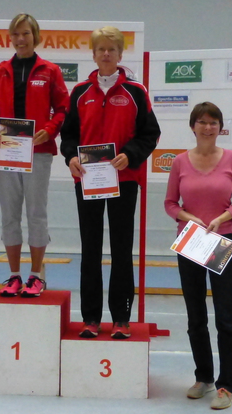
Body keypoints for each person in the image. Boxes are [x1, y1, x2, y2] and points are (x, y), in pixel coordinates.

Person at [60, 26, 160, 339]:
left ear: (120, 54)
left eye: (112, 49)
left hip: (124, 179)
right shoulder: (80, 93)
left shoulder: (135, 91)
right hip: (88, 180)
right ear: (93, 54)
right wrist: (71, 157)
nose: (106, 54)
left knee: (121, 248)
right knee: (90, 249)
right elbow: (68, 135)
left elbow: (150, 134)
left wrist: (130, 155)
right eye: (101, 49)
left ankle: (121, 319)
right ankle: (91, 318)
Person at [164, 102, 232, 410]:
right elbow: (170, 204)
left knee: (226, 316)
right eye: (202, 122)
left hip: (222, 240)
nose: (208, 127)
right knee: (195, 315)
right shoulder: (179, 162)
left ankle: (227, 385)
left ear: (220, 127)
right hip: (191, 241)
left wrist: (222, 218)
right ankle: (204, 377)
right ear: (193, 126)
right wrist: (189, 217)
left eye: (213, 122)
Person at [0, 13, 69, 298]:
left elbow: (63, 108)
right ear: (11, 38)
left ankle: (35, 275)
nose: (21, 39)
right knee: (9, 214)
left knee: (36, 213)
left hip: (38, 152)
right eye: (16, 34)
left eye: (26, 33)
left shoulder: (50, 71)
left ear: (36, 36)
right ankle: (13, 275)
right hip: (7, 151)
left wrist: (50, 130)